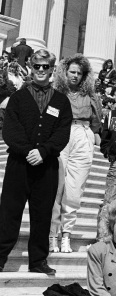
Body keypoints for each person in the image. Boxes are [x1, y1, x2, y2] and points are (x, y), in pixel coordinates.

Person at [0, 49, 72, 274]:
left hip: (47, 165)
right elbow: (10, 130)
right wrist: (28, 150)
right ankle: (0, 255)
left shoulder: (61, 101)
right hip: (19, 164)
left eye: (46, 67)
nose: (41, 71)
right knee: (9, 212)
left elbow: (62, 132)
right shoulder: (18, 98)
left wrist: (44, 151)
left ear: (52, 70)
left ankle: (38, 260)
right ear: (31, 67)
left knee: (42, 214)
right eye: (37, 66)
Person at [50, 55, 101, 254]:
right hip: (60, 132)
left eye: (79, 73)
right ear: (65, 72)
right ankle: (52, 234)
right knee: (56, 187)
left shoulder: (91, 95)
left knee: (74, 190)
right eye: (72, 72)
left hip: (82, 133)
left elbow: (97, 120)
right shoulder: (56, 92)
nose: (75, 76)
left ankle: (66, 235)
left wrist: (94, 135)